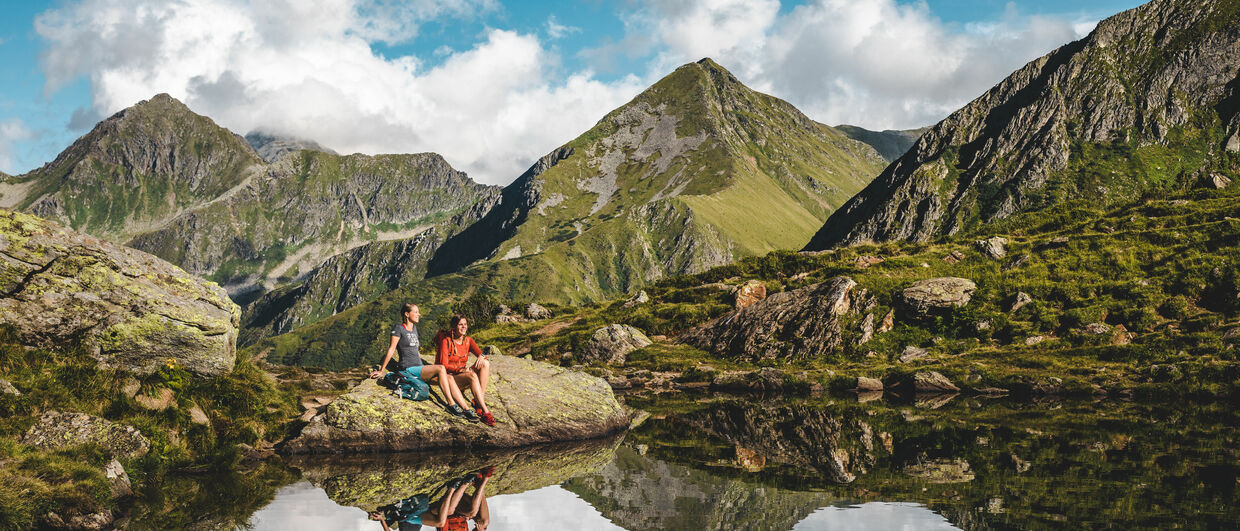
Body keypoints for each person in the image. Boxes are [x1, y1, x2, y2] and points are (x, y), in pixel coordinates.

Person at [371, 303, 478, 421]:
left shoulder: (414, 329)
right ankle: (451, 404)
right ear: (407, 314)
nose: (419, 314)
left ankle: (466, 409)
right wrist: (382, 370)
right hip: (408, 369)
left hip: (420, 370)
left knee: (449, 378)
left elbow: (415, 351)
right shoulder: (399, 329)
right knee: (441, 368)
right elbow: (391, 349)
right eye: (415, 312)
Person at [436, 315, 496, 426]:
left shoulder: (468, 340)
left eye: (465, 324)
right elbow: (443, 365)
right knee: (472, 375)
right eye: (460, 324)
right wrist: (461, 369)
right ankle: (486, 412)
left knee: (485, 364)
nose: (464, 327)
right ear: (454, 327)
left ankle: (478, 401)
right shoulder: (447, 341)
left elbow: (481, 353)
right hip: (450, 378)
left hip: (462, 374)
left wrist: (481, 356)